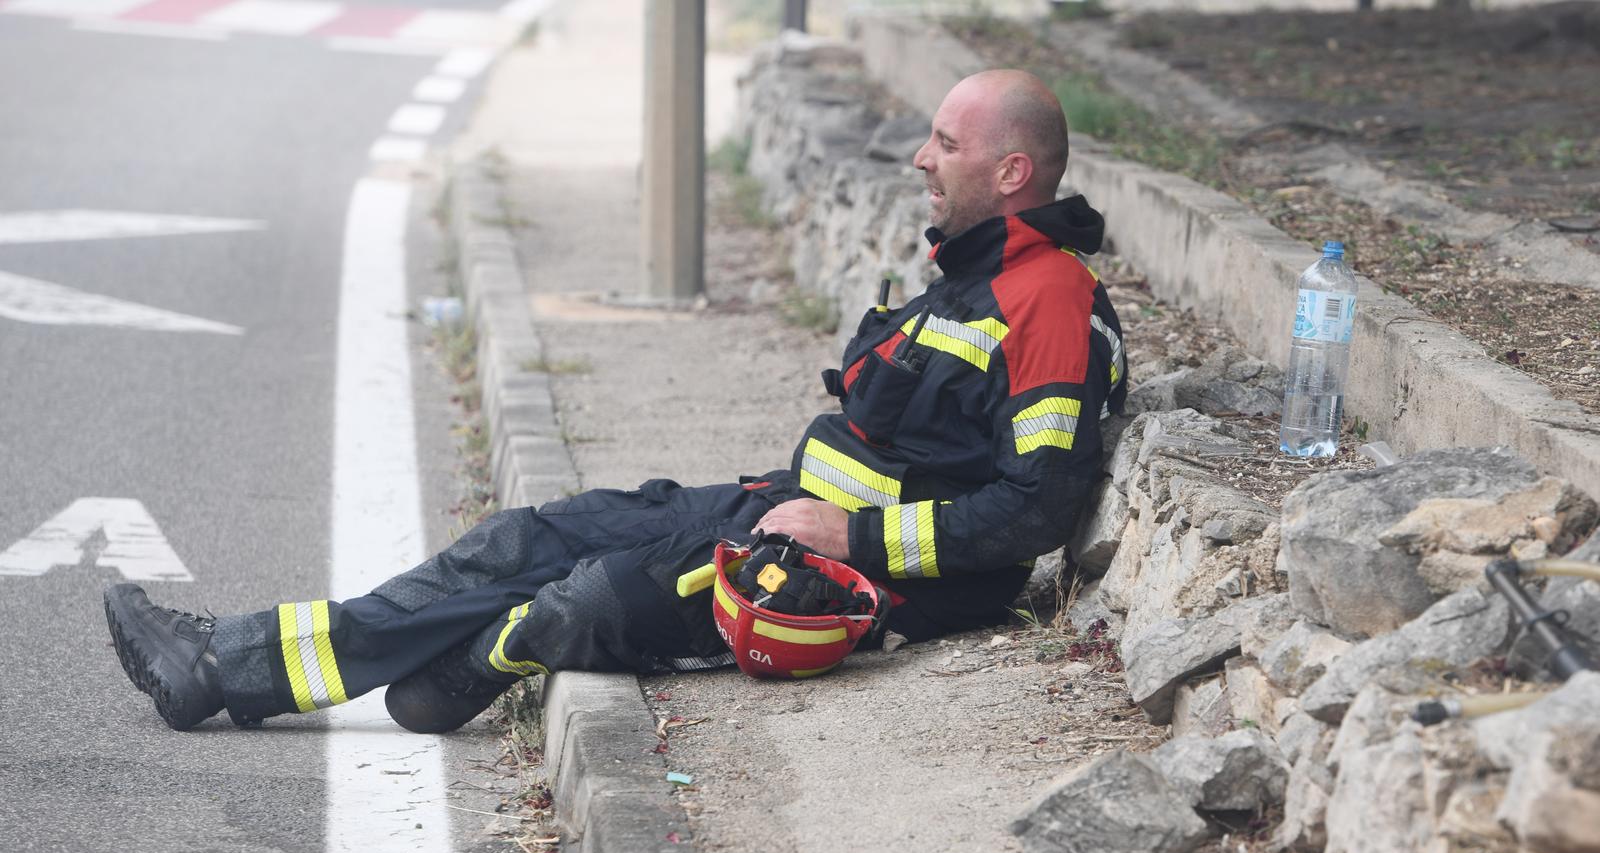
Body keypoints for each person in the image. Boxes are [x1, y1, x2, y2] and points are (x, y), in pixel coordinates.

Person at [103, 68, 1128, 734]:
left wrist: (851, 536)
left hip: (857, 577)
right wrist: (809, 513)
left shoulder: (1048, 301)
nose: (920, 157)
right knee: (526, 538)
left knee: (579, 599)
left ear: (1011, 170)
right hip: (782, 515)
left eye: (945, 143)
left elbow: (1031, 513)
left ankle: (444, 668)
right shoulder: (974, 273)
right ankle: (229, 660)